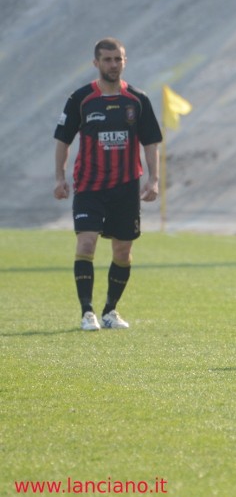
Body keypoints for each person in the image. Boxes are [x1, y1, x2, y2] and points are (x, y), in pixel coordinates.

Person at [53, 37, 162, 331]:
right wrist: (60, 178)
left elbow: (151, 142)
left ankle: (110, 311)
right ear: (96, 63)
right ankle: (87, 312)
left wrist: (154, 180)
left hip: (126, 187)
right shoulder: (81, 99)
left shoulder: (138, 100)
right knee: (86, 243)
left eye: (118, 59)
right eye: (108, 59)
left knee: (123, 252)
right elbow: (63, 140)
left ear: (124, 61)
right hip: (89, 185)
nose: (114, 64)